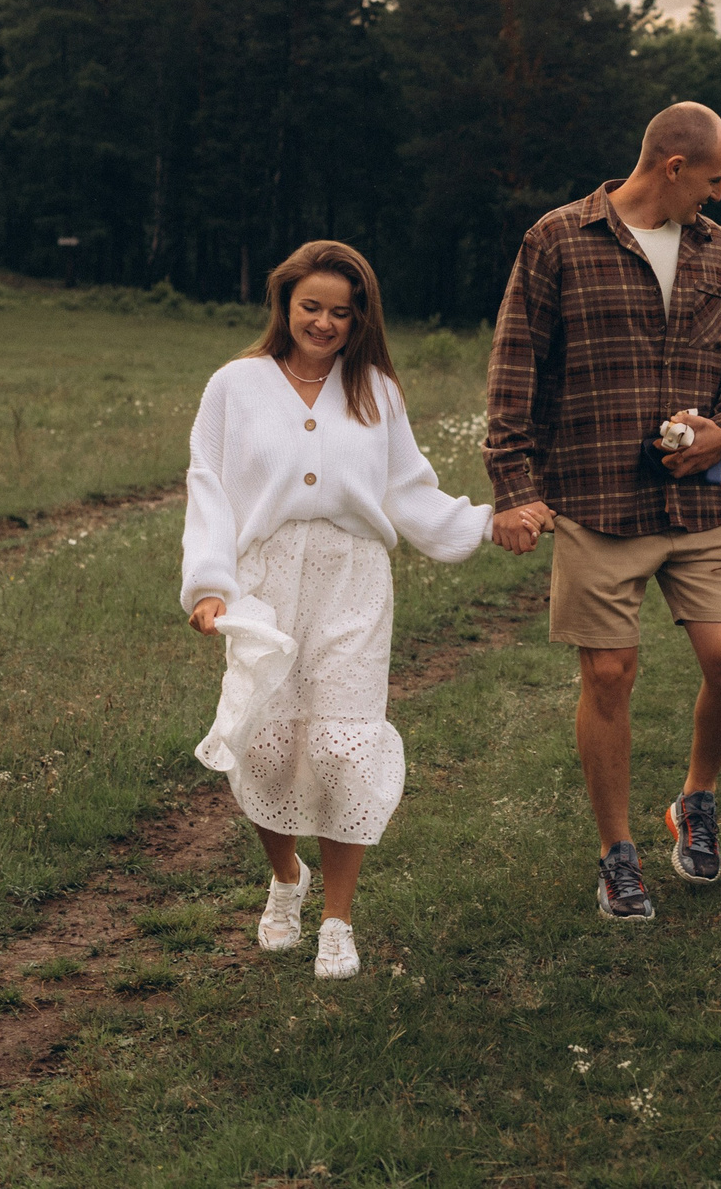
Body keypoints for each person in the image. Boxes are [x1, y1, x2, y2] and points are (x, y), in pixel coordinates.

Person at [484, 102, 721, 921]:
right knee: (609, 673)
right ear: (673, 167)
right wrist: (514, 482)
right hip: (598, 498)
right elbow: (515, 363)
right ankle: (618, 854)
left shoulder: (717, 250)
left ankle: (697, 798)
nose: (716, 199)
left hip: (703, 499)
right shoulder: (558, 239)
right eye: (712, 180)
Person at [181, 240, 493, 978]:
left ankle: (337, 921)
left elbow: (408, 491)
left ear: (360, 320)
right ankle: (287, 876)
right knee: (264, 741)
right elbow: (210, 487)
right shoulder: (235, 384)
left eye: (340, 313)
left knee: (341, 746)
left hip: (353, 577)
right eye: (310, 306)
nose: (323, 322)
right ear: (285, 304)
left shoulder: (376, 390)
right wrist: (209, 584)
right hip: (266, 578)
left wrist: (484, 521)